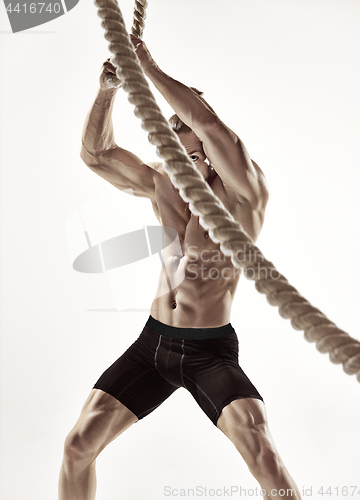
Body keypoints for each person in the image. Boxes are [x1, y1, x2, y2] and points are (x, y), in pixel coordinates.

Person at [58, 35, 302, 500]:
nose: (188, 166)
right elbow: (97, 155)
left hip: (209, 351)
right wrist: (108, 89)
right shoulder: (163, 183)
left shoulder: (246, 196)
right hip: (153, 344)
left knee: (263, 453)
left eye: (198, 155)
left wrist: (144, 63)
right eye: (180, 156)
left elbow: (208, 123)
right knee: (77, 447)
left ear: (213, 156)